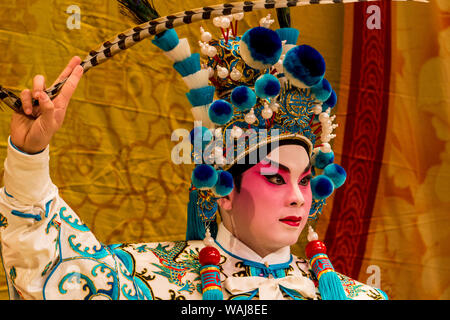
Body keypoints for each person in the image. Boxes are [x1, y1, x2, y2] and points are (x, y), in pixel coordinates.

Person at [0, 6, 389, 300]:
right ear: (224, 191)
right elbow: (49, 263)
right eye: (274, 177)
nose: (297, 197)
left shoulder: (359, 296)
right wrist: (29, 155)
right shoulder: (145, 280)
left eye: (305, 180)